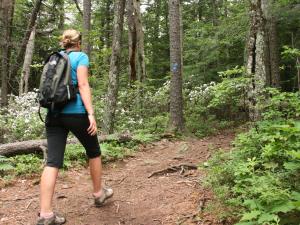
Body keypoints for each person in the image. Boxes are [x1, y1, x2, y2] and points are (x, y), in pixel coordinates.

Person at [36, 29, 113, 225]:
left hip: (53, 114)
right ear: (78, 43)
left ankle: (46, 214)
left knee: (52, 162)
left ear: (64, 43)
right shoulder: (81, 56)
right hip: (76, 113)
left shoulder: (54, 58)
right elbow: (83, 84)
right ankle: (98, 194)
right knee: (94, 151)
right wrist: (91, 114)